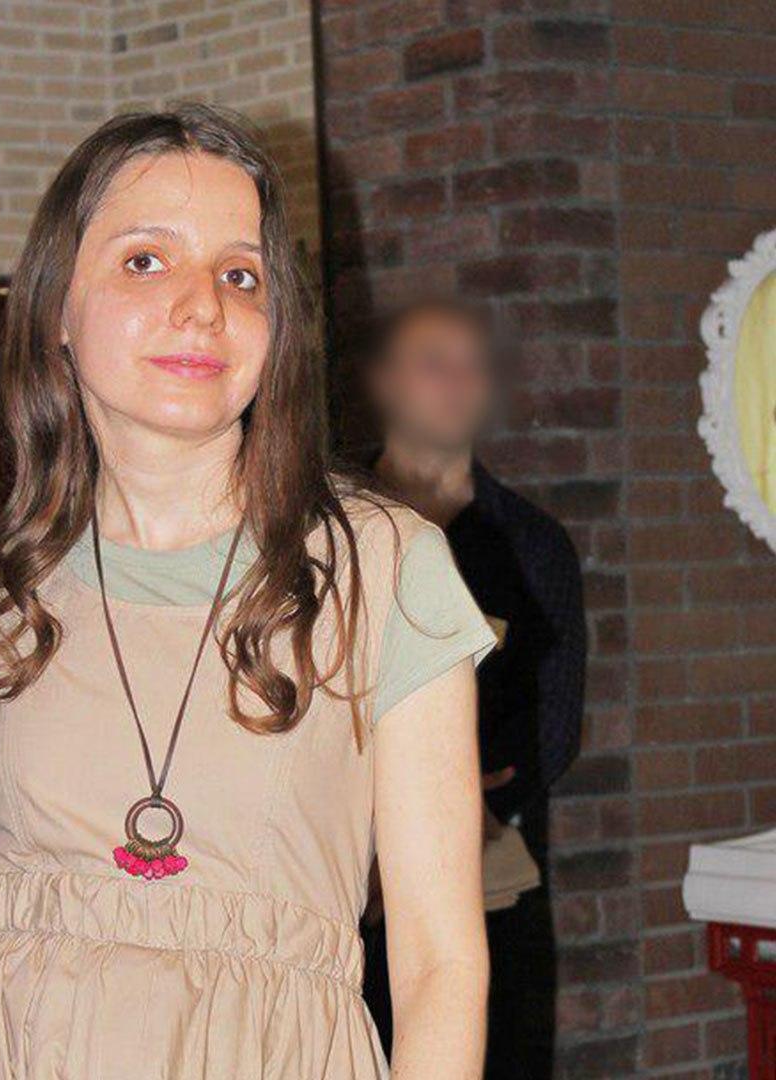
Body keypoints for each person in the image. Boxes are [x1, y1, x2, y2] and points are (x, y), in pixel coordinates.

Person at [0, 104, 499, 1080]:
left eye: (239, 274)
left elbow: (439, 966)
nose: (202, 306)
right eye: (145, 260)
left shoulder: (387, 570)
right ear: (56, 309)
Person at [357, 296, 587, 1078]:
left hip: (490, 873)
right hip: (340, 882)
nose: (458, 381)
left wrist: (454, 806)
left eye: (473, 365)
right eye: (433, 362)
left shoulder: (532, 542)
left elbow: (554, 721)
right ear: (384, 381)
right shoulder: (332, 524)